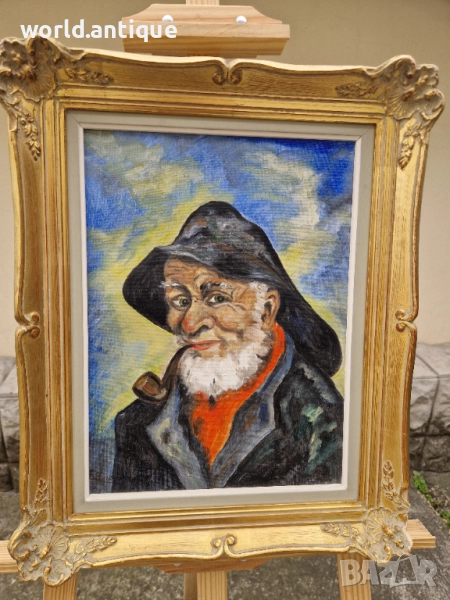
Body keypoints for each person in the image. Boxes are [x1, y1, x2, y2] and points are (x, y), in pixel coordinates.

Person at [112, 201, 344, 492]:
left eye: (217, 298)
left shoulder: (323, 422)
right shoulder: (138, 424)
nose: (189, 325)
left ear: (267, 310)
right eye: (180, 301)